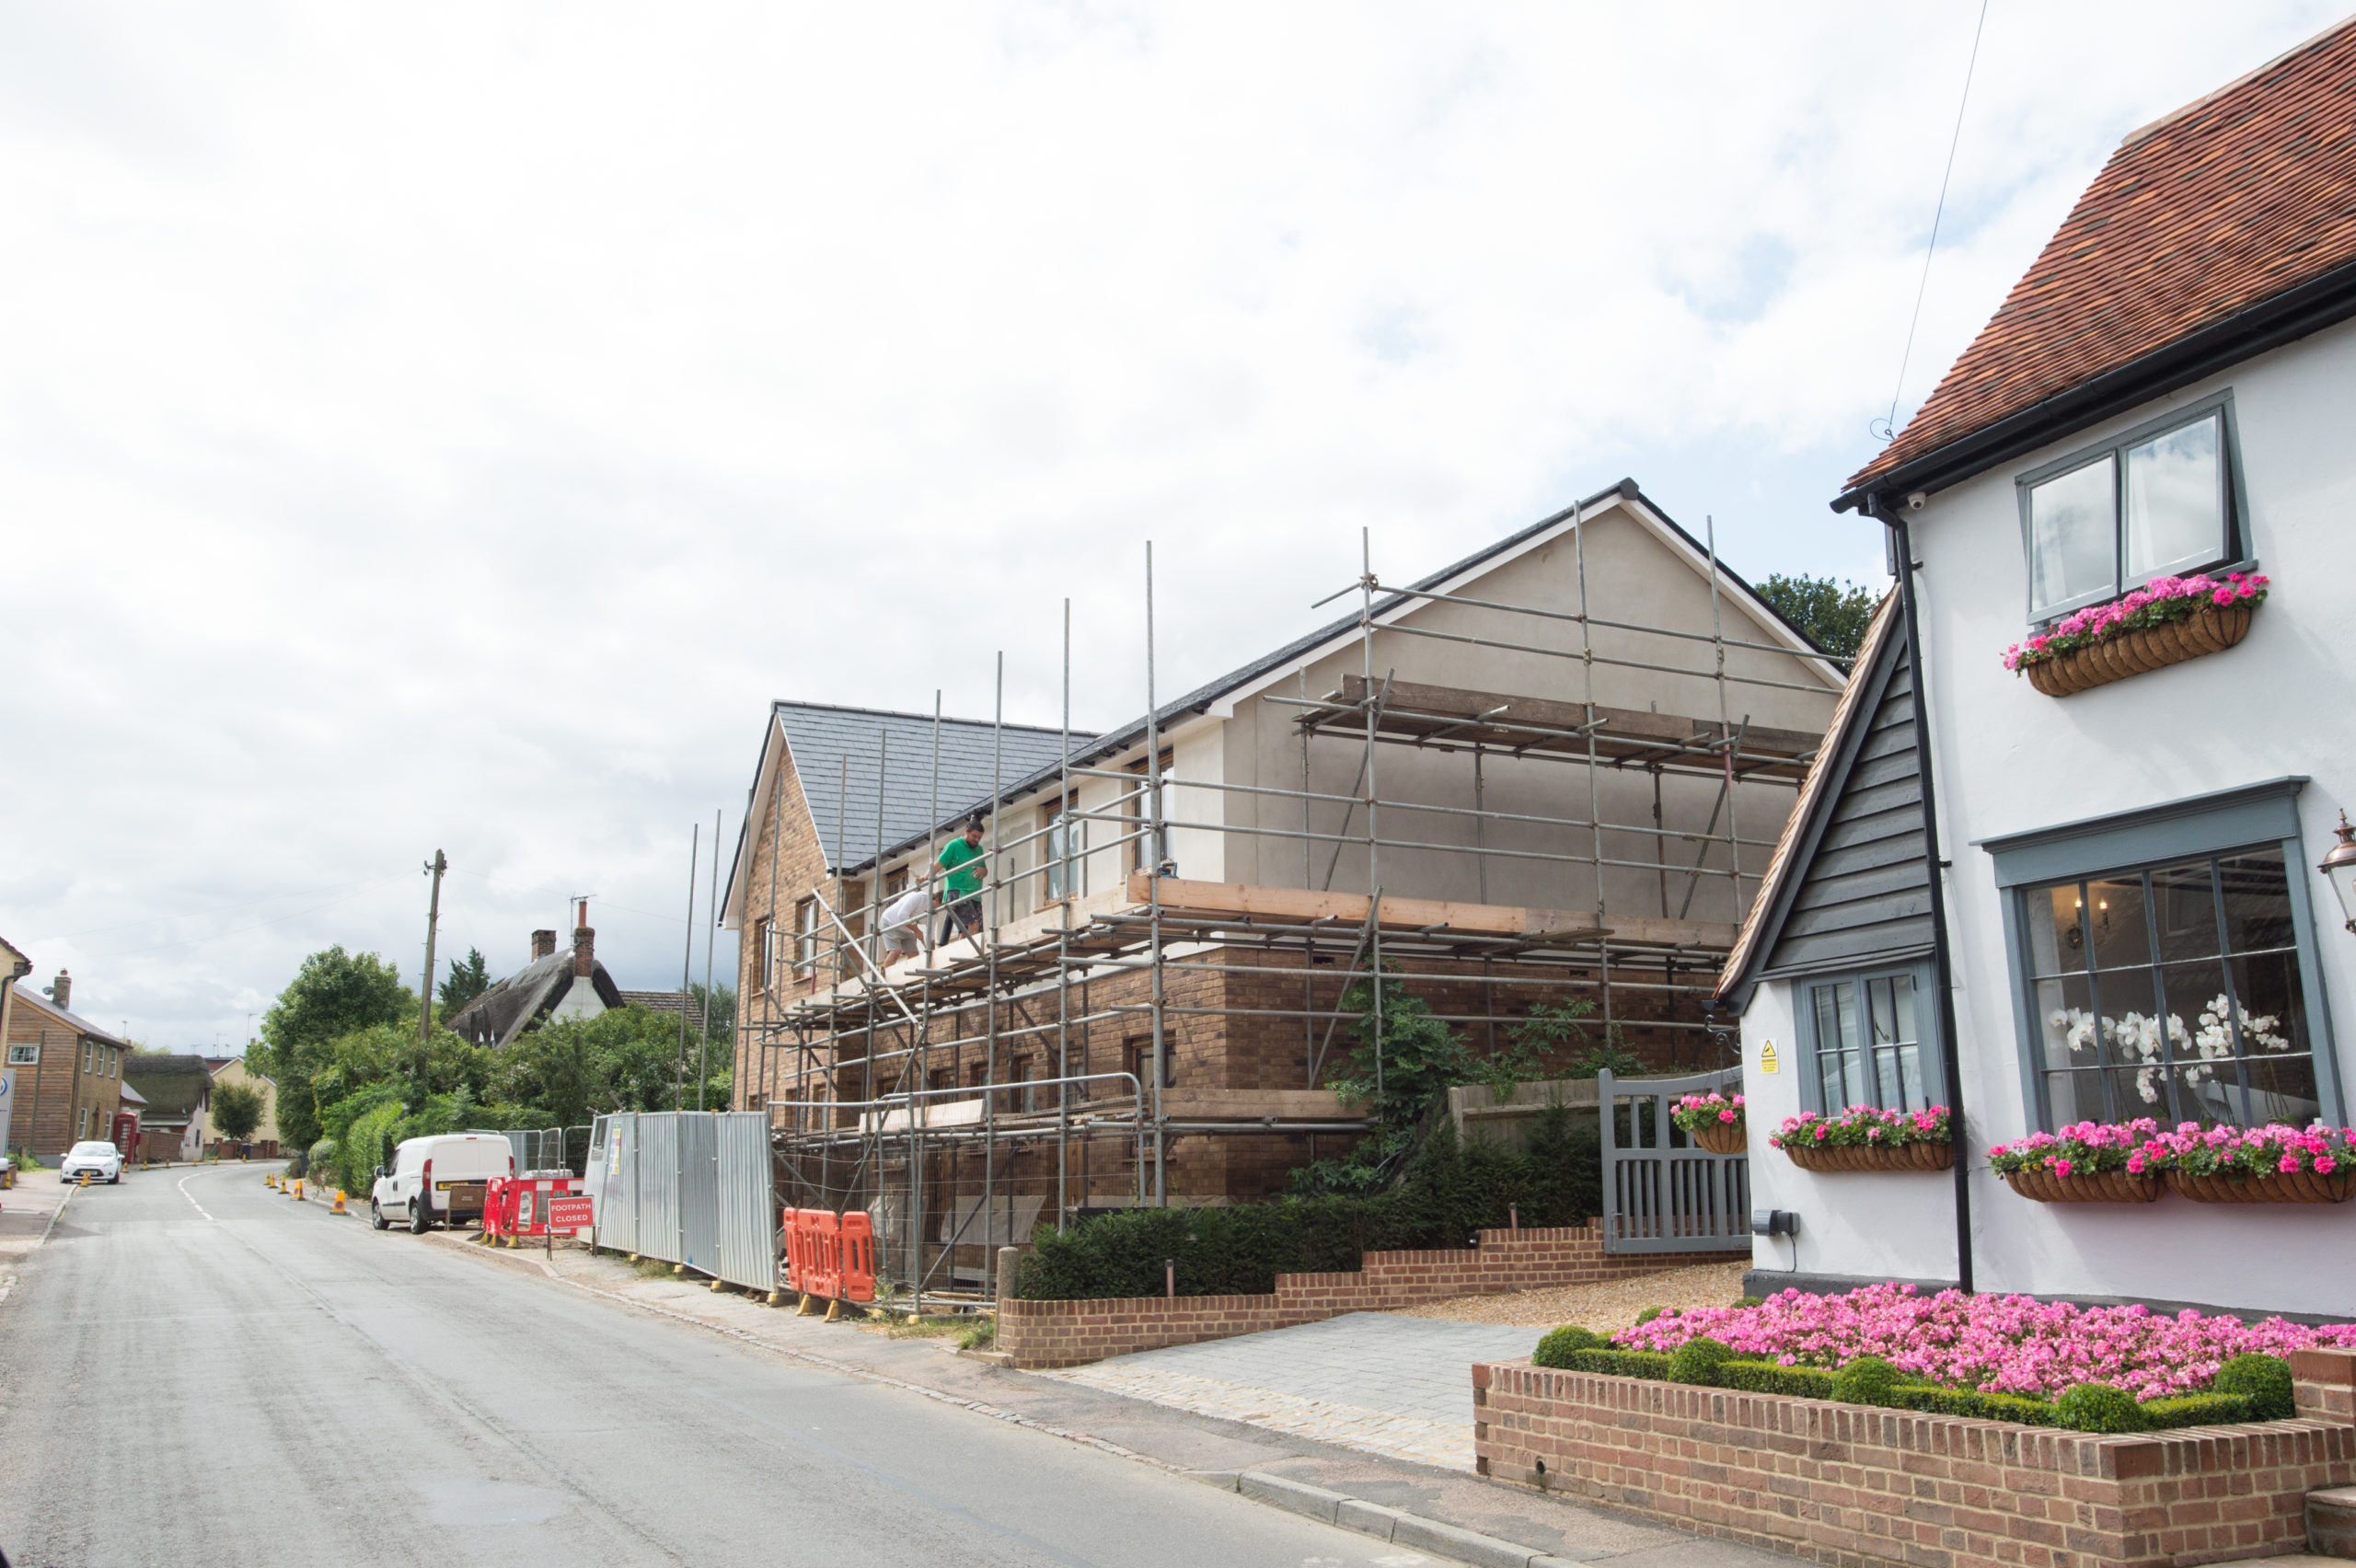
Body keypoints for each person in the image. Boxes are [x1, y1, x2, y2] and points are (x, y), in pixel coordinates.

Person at [936, 815, 987, 944]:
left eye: (979, 838)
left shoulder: (979, 849)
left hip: (975, 895)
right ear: (966, 831)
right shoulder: (954, 845)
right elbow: (939, 864)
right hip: (958, 893)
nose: (976, 840)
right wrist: (925, 877)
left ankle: (962, 956)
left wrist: (983, 871)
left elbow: (984, 870)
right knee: (973, 925)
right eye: (974, 836)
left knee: (967, 931)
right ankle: (973, 957)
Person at [878, 883, 933, 963]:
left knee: (914, 955)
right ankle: (883, 975)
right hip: (891, 922)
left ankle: (912, 975)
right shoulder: (919, 898)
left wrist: (931, 949)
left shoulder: (933, 910)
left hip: (908, 928)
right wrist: (917, 931)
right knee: (895, 951)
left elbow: (930, 933)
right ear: (936, 900)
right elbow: (902, 916)